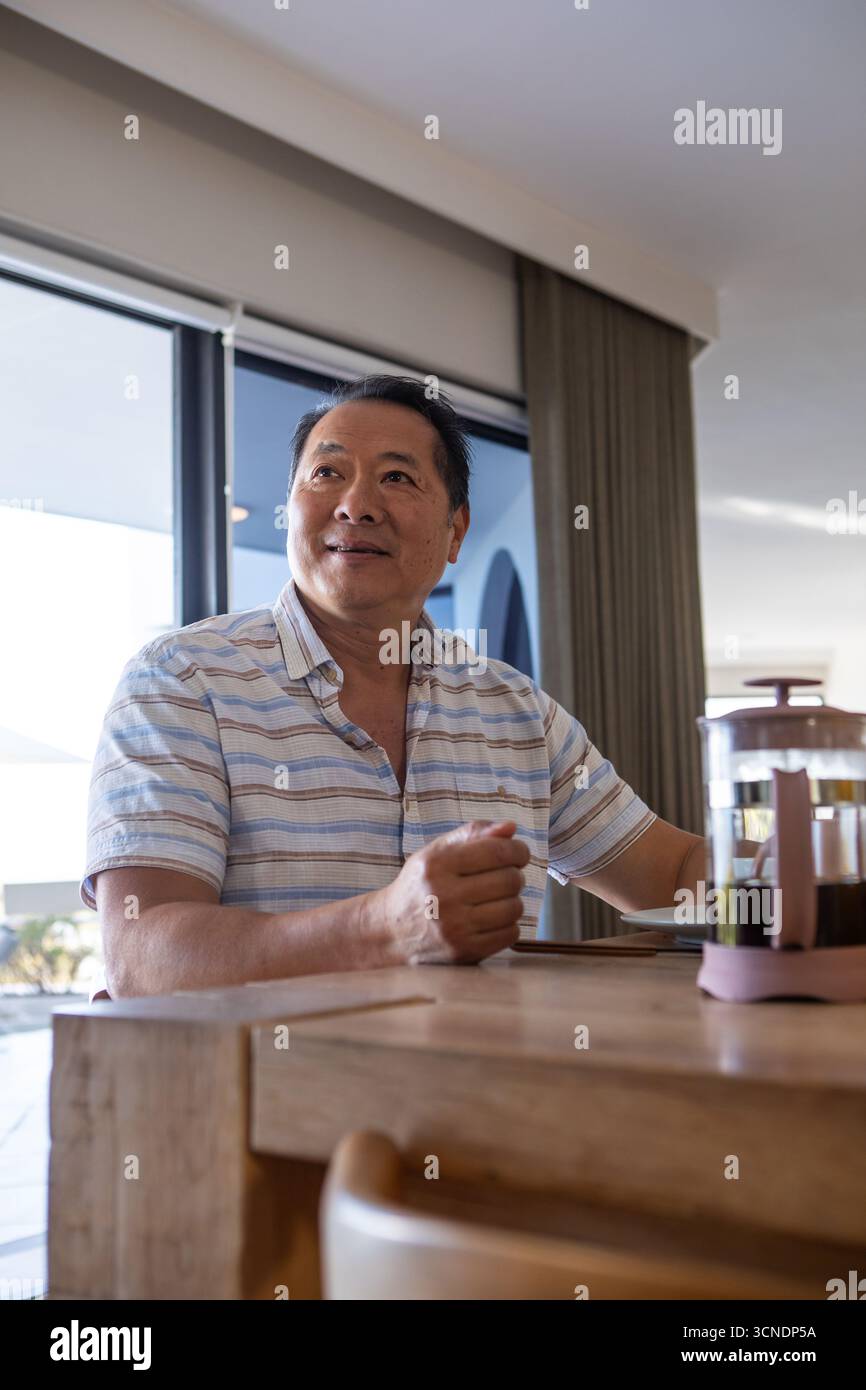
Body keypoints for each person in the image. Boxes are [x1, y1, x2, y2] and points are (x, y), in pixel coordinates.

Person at [81, 375, 704, 997]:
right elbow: (143, 959)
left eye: (397, 477)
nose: (356, 505)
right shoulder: (182, 680)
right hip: (260, 1090)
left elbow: (672, 873)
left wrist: (784, 865)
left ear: (456, 531)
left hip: (482, 1088)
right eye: (327, 474)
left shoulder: (515, 711)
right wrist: (386, 929)